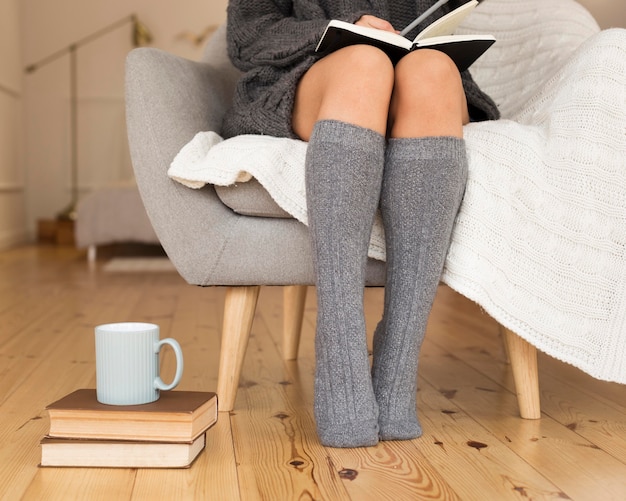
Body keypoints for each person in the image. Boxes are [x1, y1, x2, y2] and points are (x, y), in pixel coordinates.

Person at [222, 0, 500, 448]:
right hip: (315, 76)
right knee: (365, 64)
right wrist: (346, 28)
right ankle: (340, 350)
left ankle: (399, 359)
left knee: (433, 70)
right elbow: (248, 35)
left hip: (417, 76)